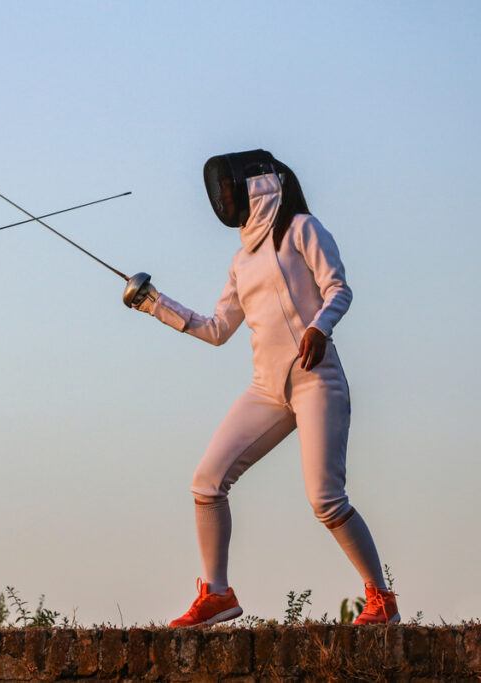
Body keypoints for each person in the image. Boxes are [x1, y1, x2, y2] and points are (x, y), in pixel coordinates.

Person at [124, 149, 398, 626]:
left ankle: (381, 599)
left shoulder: (303, 229)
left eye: (229, 188)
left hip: (315, 380)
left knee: (326, 499)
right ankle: (217, 594)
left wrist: (320, 327)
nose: (224, 198)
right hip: (267, 389)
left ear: (260, 185)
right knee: (207, 482)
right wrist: (153, 303)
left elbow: (339, 288)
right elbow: (216, 328)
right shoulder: (241, 261)